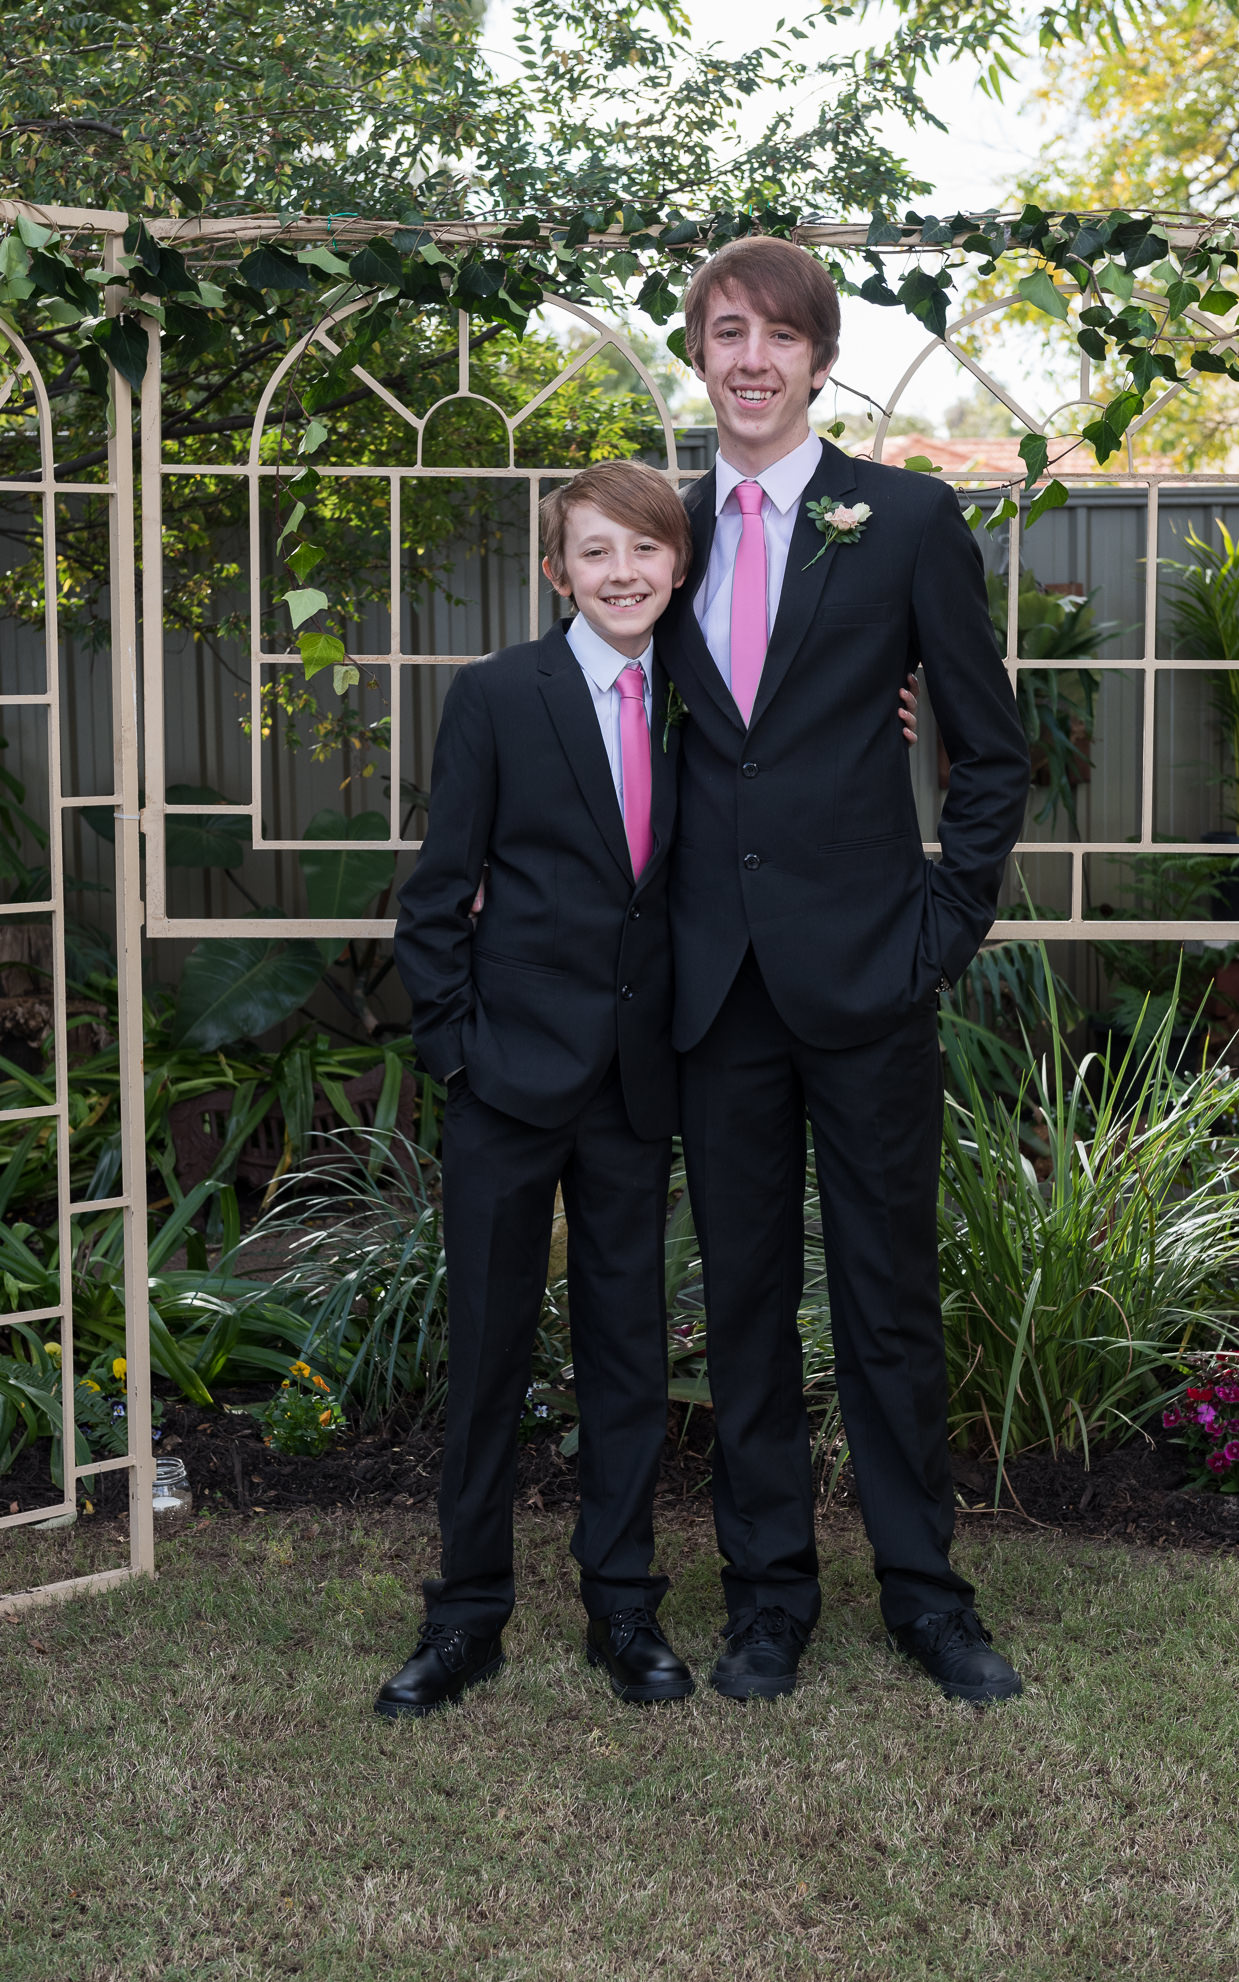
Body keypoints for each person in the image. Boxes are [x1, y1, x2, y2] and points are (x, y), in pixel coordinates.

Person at [656, 236, 1033, 1705]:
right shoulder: (661, 530)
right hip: (715, 988)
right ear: (700, 353)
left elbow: (987, 750)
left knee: (884, 1295)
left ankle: (925, 1595)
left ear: (818, 358)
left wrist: (944, 919)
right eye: (724, 333)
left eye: (777, 335)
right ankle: (766, 1598)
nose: (750, 359)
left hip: (871, 974)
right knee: (741, 1301)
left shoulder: (905, 519)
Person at [378, 461, 697, 1717]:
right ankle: (466, 1613)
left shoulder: (706, 696)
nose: (623, 572)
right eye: (596, 551)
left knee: (627, 1352)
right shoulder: (498, 696)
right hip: (505, 1078)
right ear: (556, 571)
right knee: (488, 1350)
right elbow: (434, 892)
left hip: (637, 1081)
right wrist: (457, 1052)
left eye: (647, 548)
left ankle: (622, 1604)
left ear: (677, 563)